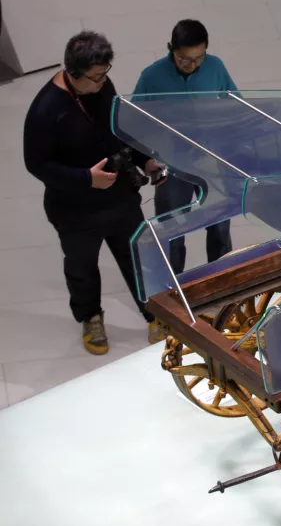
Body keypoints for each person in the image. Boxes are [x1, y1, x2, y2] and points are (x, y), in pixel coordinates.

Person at [23, 31, 168, 355]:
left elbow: (119, 129)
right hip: (75, 209)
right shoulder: (46, 110)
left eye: (106, 73)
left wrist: (144, 160)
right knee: (82, 266)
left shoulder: (102, 87)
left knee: (137, 258)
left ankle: (154, 313)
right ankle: (90, 317)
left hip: (120, 198)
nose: (103, 82)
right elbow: (35, 164)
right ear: (73, 74)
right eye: (96, 77)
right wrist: (85, 178)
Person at [133, 19, 237, 274]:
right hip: (172, 165)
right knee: (172, 228)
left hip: (211, 161)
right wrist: (146, 159)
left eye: (199, 58)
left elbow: (234, 105)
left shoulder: (215, 67)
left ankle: (221, 279)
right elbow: (134, 121)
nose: (192, 65)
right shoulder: (152, 77)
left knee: (220, 224)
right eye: (184, 59)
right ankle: (173, 285)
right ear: (172, 50)